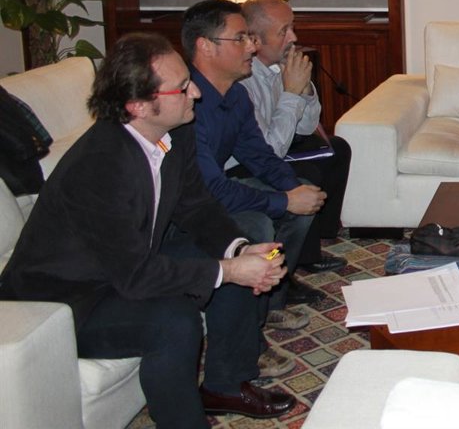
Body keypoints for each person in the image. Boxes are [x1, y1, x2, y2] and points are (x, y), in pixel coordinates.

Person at [0, 33, 294, 427]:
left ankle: (225, 385)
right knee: (174, 322)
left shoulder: (175, 131)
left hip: (120, 268)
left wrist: (238, 251)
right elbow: (135, 276)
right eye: (182, 87)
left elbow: (196, 206)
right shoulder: (99, 167)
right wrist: (229, 270)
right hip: (64, 302)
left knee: (234, 257)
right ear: (138, 105)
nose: (196, 93)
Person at [182, 0, 327, 361]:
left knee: (299, 207)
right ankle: (248, 345)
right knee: (258, 225)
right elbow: (210, 188)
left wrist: (292, 187)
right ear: (205, 46)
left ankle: (271, 304)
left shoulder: (233, 94)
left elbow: (259, 154)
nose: (251, 46)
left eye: (250, 37)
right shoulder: (187, 103)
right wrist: (284, 200)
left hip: (214, 190)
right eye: (241, 39)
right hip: (185, 208)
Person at [241, 0, 349, 274]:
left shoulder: (278, 66)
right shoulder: (244, 79)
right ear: (255, 39)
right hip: (247, 162)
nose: (293, 37)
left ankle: (321, 237)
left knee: (337, 149)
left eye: (292, 27)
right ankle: (302, 258)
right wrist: (291, 92)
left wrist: (305, 89)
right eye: (283, 31)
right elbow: (268, 152)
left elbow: (305, 127)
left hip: (277, 143)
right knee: (306, 173)